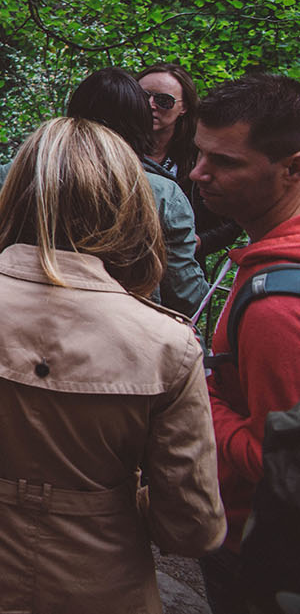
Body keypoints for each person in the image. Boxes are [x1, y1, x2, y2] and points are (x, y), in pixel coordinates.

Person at [0, 117, 225, 614]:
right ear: (127, 207)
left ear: (17, 193)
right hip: (102, 585)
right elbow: (192, 525)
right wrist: (112, 502)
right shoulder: (168, 343)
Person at [0, 66, 207, 316]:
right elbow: (187, 297)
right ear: (140, 120)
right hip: (120, 333)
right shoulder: (163, 194)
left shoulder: (39, 167)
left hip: (25, 313)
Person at [190, 73, 300, 614]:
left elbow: (271, 458)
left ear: (292, 168)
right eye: (199, 154)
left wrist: (198, 392)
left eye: (225, 163)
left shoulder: (277, 308)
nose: (198, 174)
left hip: (253, 546)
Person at [138, 62, 241, 260]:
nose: (150, 105)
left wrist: (200, 242)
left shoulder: (200, 154)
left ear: (183, 107)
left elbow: (235, 218)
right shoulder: (112, 148)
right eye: (142, 96)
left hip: (180, 267)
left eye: (163, 100)